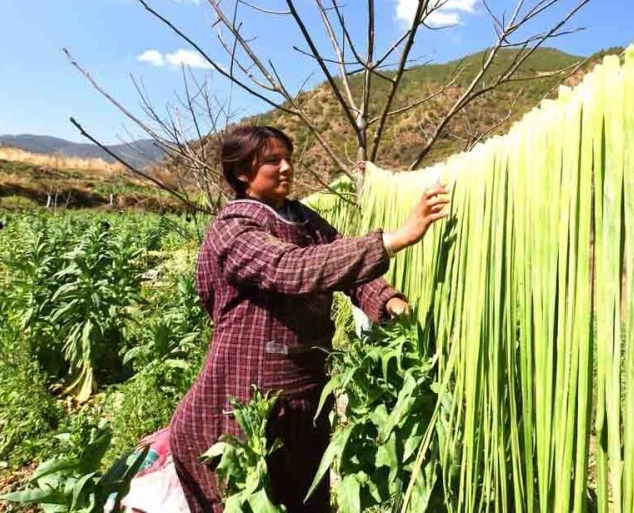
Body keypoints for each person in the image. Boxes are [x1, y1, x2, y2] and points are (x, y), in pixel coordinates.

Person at [170, 125, 449, 512]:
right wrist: (394, 238)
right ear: (240, 172)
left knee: (305, 500)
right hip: (242, 400)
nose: (286, 167)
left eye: (288, 158)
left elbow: (342, 263)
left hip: (305, 395)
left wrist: (387, 300)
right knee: (248, 497)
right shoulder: (233, 229)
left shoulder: (302, 218)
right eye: (272, 160)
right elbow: (292, 268)